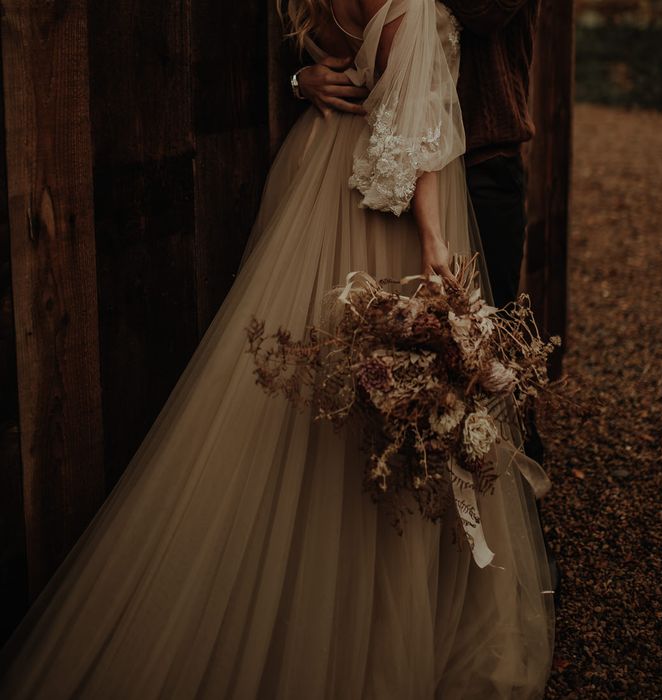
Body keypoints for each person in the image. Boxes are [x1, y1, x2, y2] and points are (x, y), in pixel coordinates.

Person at [0, 1, 554, 697]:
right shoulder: (412, 8)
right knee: (400, 384)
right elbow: (414, 133)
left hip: (319, 173)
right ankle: (377, 613)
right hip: (402, 197)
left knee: (337, 382)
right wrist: (435, 243)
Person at [298, 0, 560, 590]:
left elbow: (485, 12)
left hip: (480, 159)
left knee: (485, 367)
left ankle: (523, 562)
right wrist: (297, 78)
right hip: (389, 167)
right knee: (396, 367)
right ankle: (407, 569)